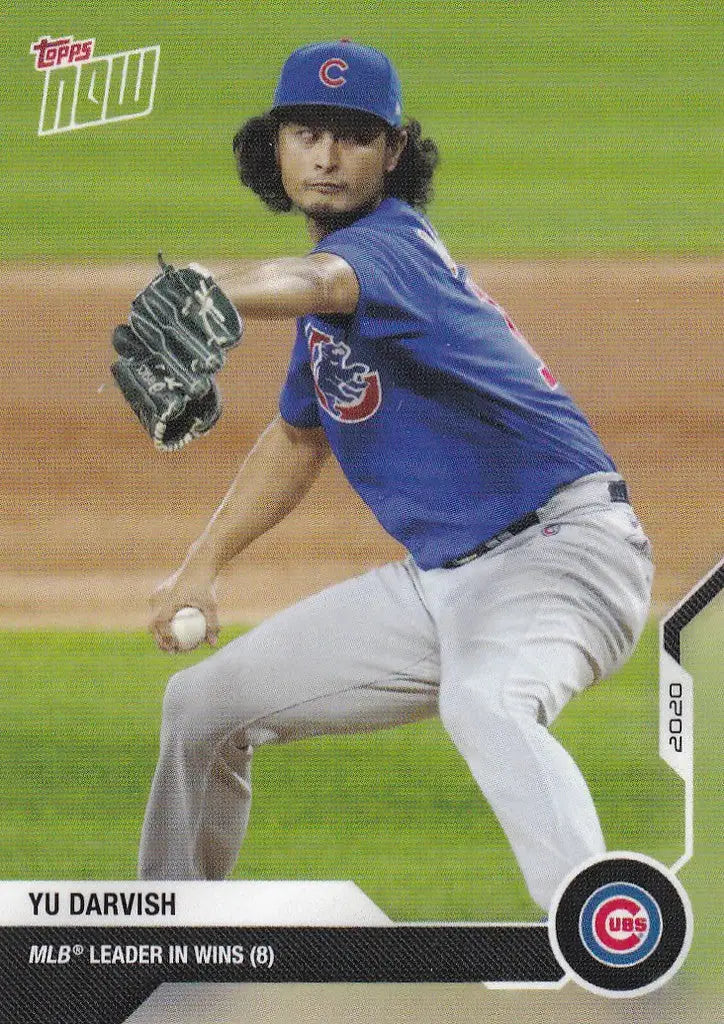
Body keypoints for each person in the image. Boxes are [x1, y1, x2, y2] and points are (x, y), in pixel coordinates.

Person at [138, 41, 654, 912]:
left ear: (394, 151)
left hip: (563, 553)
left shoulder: (394, 249)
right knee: (200, 708)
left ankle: (605, 935)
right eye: (307, 133)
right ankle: (168, 931)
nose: (329, 157)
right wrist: (203, 564)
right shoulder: (325, 323)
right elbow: (298, 442)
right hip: (442, 585)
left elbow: (316, 279)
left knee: (486, 702)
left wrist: (208, 289)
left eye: (354, 135)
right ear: (275, 149)